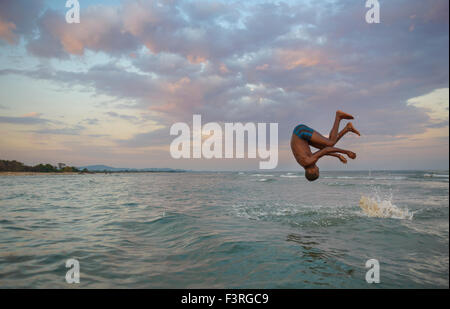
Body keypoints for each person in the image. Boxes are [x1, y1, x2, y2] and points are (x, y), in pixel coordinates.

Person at [290, 110, 360, 181]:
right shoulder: (307, 163)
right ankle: (347, 128)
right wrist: (338, 156)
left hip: (300, 132)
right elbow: (324, 152)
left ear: (311, 171)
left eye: (317, 171)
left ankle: (338, 116)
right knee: (329, 145)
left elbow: (326, 150)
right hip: (302, 136)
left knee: (330, 143)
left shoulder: (308, 161)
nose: (318, 169)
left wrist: (346, 152)